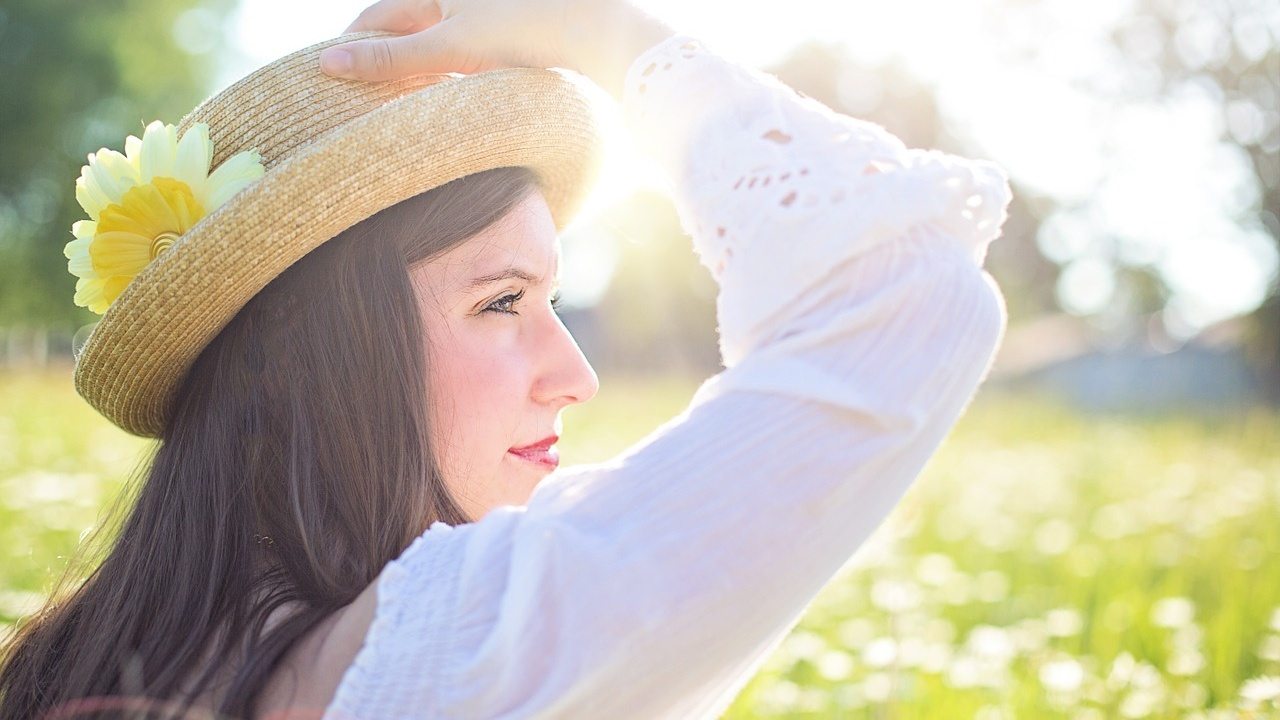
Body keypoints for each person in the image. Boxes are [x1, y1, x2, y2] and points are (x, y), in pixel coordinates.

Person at [0, 0, 1011, 717]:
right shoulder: (453, 657)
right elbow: (910, 299)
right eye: (500, 300)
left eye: (552, 299)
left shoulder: (66, 662)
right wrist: (605, 34)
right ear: (302, 357)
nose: (575, 374)